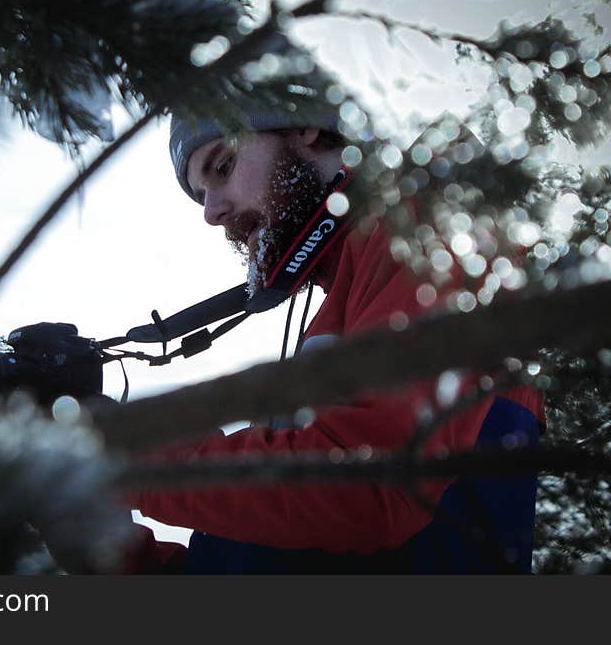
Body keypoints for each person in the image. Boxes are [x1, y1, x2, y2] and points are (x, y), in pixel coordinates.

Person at [119, 105, 544, 573]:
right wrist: (116, 554)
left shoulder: (432, 223)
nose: (211, 213)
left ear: (305, 126)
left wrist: (138, 468)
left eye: (222, 167)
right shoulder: (337, 306)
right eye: (201, 195)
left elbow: (374, 491)